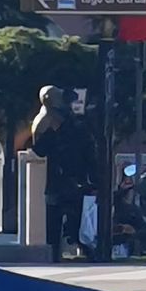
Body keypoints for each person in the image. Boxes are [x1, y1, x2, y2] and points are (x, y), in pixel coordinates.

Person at [27, 83, 97, 262]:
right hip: (60, 181)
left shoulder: (69, 122)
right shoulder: (50, 121)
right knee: (57, 221)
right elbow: (41, 149)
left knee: (75, 220)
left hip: (71, 180)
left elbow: (85, 149)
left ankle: (79, 247)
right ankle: (56, 252)